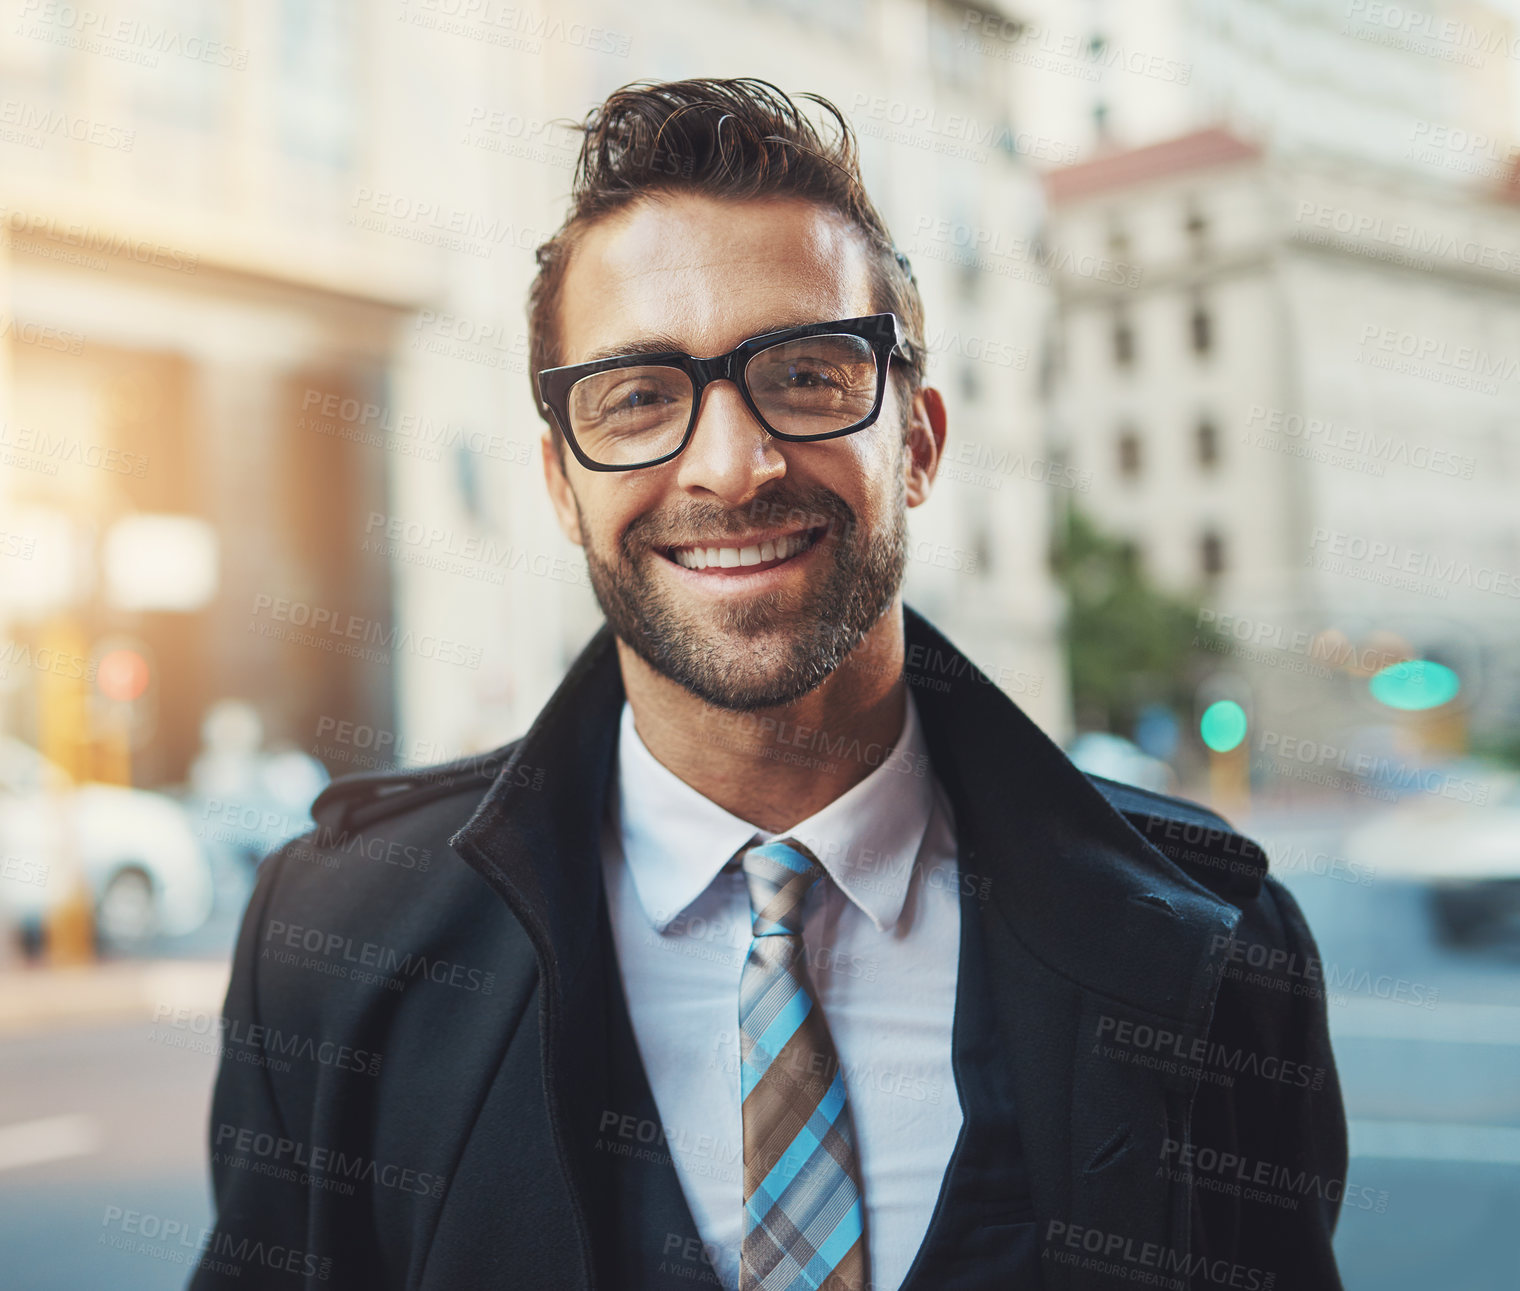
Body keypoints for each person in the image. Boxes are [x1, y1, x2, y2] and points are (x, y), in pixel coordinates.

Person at [192, 79, 1346, 1291]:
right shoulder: (336, 942)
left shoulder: (1219, 956)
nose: (731, 468)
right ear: (556, 481)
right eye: (637, 398)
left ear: (917, 441)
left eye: (805, 375)